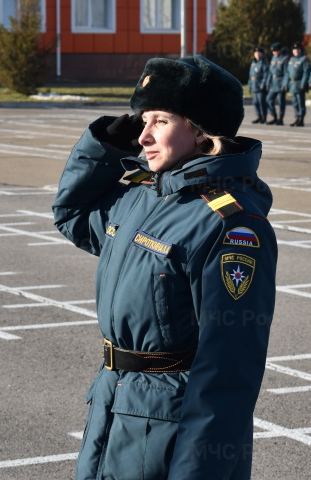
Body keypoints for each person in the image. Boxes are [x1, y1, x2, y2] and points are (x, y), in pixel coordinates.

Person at [53, 55, 278, 479]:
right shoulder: (144, 195)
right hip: (114, 405)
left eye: (160, 121)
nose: (142, 136)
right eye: (142, 119)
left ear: (198, 130)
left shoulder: (229, 224)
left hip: (167, 431)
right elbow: (72, 215)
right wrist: (105, 144)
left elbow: (227, 374)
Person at [284, 42, 311, 127]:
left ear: (300, 50)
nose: (296, 51)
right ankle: (296, 117)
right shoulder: (291, 60)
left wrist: (303, 83)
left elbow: (306, 73)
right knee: (295, 102)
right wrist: (286, 84)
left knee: (300, 102)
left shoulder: (304, 59)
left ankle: (301, 119)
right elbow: (288, 73)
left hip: (299, 83)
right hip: (292, 83)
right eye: (294, 50)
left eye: (298, 49)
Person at [266, 42, 289, 125]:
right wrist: (268, 82)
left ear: (279, 51)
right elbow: (270, 72)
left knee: (281, 102)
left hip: (280, 81)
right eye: (273, 51)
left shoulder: (284, 59)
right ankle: (274, 116)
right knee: (269, 100)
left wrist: (285, 84)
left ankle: (281, 118)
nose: (274, 53)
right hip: (273, 82)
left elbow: (286, 73)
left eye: (275, 51)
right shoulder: (273, 58)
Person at [248, 46, 269, 123]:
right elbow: (250, 75)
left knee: (261, 101)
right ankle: (259, 116)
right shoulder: (253, 62)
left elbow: (266, 74)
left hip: (259, 84)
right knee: (255, 102)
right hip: (254, 84)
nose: (257, 54)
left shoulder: (264, 62)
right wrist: (249, 85)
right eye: (256, 53)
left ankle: (264, 116)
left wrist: (263, 84)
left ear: (262, 54)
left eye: (259, 53)